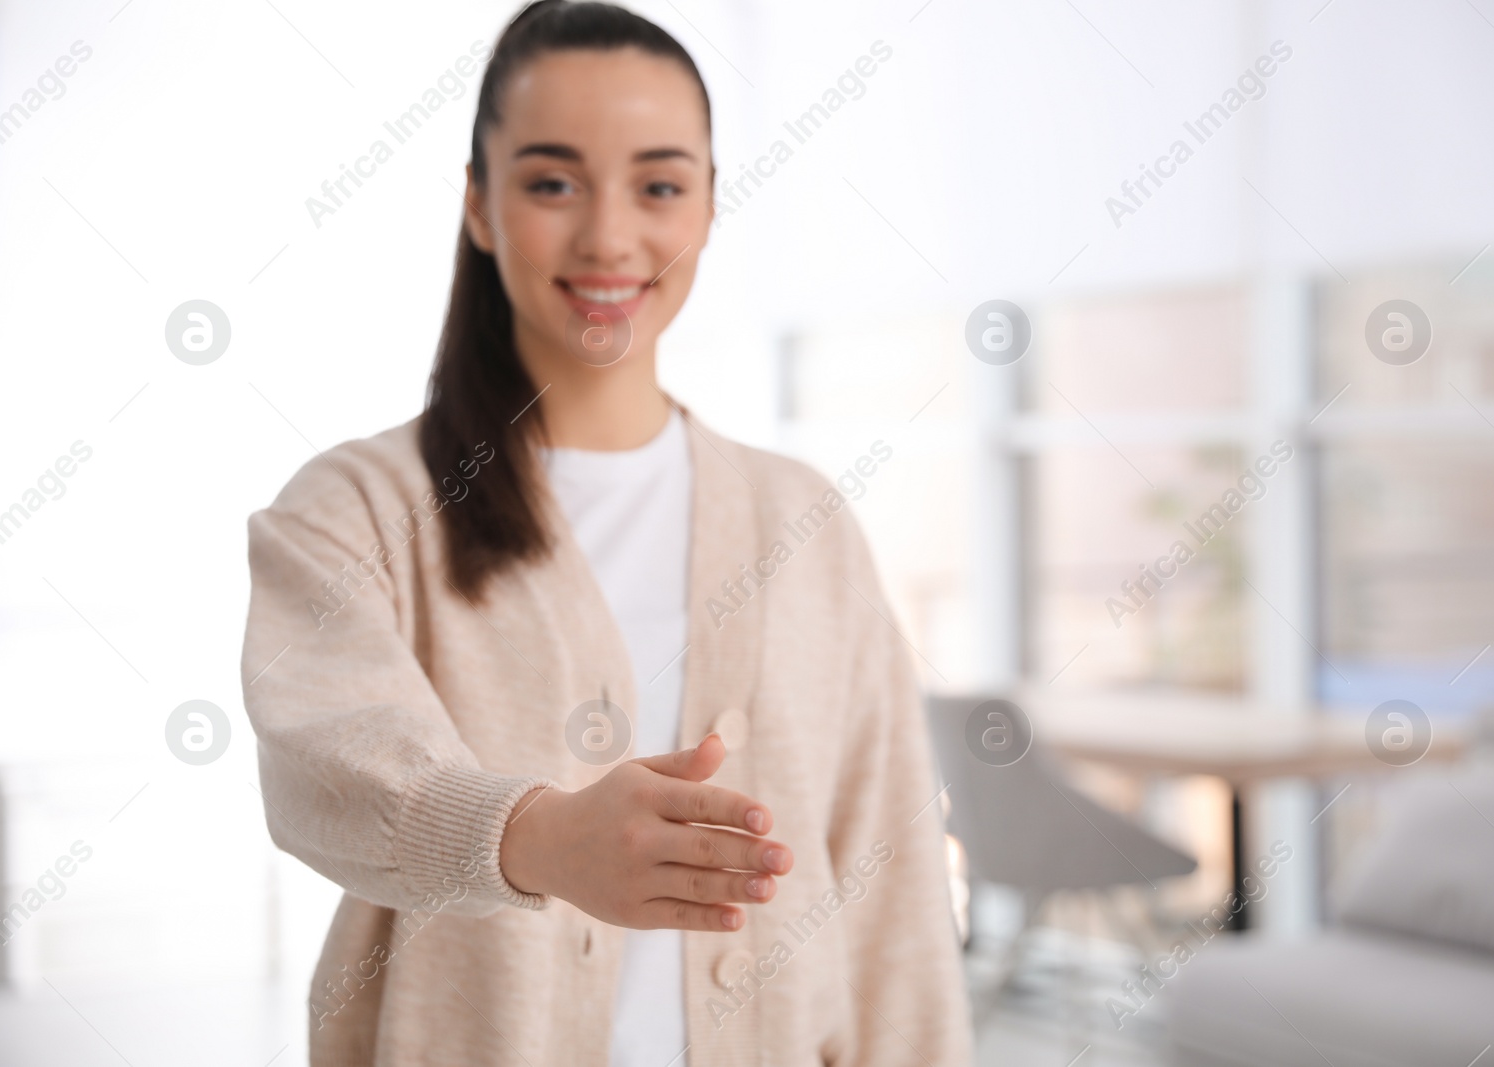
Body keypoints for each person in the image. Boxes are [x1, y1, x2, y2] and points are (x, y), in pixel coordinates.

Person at [239, 2, 971, 1064]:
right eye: (551, 182)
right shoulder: (355, 507)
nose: (609, 237)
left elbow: (891, 886)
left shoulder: (803, 523)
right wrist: (531, 837)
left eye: (659, 185)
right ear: (480, 207)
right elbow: (326, 773)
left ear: (712, 207)